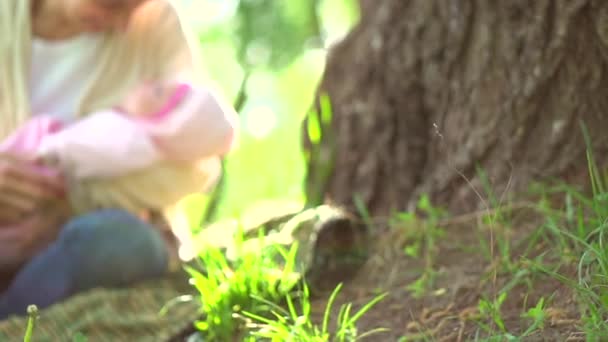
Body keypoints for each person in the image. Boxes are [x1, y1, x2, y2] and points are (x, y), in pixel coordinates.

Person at [0, 0, 237, 319]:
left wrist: (72, 201)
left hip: (86, 244)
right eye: (112, 5)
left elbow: (196, 164)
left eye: (134, 7)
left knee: (123, 241)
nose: (124, 25)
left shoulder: (155, 23)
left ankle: (10, 322)